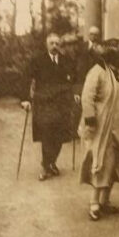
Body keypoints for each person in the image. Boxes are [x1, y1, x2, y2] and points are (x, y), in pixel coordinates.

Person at [78, 39, 119, 221]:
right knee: (101, 162)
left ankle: (105, 200)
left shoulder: (118, 73)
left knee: (114, 164)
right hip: (102, 126)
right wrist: (90, 119)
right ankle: (94, 202)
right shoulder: (97, 72)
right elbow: (87, 96)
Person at [20, 33, 76, 181]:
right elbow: (25, 77)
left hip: (61, 103)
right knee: (47, 134)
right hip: (44, 103)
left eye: (57, 43)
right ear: (46, 44)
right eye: (52, 43)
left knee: (60, 135)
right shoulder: (38, 60)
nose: (55, 46)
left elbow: (75, 78)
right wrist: (25, 99)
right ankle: (46, 166)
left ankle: (51, 162)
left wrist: (76, 93)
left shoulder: (66, 60)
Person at [74, 26, 103, 96]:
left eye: (96, 35)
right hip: (84, 74)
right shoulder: (82, 46)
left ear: (98, 36)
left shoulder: (101, 47)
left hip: (96, 75)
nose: (93, 36)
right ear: (88, 35)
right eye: (91, 34)